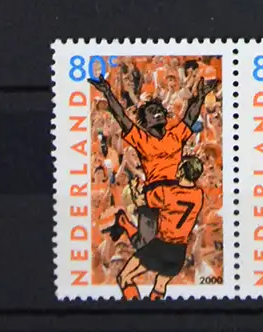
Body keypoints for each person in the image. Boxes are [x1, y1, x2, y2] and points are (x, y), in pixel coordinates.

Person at [91, 62, 217, 271]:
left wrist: (201, 96)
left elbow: (190, 115)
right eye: (151, 112)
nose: (157, 113)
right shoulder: (141, 139)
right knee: (146, 248)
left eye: (159, 111)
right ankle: (127, 230)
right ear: (145, 120)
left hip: (175, 194)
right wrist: (108, 93)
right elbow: (121, 117)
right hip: (152, 196)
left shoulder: (176, 135)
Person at [112, 153, 206, 301]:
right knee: (160, 285)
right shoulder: (199, 195)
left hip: (161, 246)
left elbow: (140, 201)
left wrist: (134, 188)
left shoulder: (166, 192)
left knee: (124, 277)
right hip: (179, 251)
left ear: (182, 170)